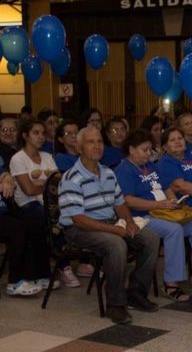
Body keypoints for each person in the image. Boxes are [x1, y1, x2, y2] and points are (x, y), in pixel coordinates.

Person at [58, 127, 160, 324]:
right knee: (116, 244)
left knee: (151, 238)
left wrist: (129, 223)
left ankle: (136, 293)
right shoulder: (72, 178)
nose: (97, 146)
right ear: (79, 148)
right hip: (79, 229)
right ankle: (115, 304)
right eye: (90, 142)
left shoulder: (108, 173)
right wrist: (115, 229)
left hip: (109, 222)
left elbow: (120, 203)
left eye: (99, 141)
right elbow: (78, 219)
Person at [115, 129, 192, 300]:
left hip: (163, 212)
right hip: (141, 217)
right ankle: (171, 284)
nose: (148, 153)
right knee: (174, 230)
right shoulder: (124, 169)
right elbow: (128, 200)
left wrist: (173, 201)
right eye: (144, 150)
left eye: (149, 149)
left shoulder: (150, 165)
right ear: (132, 150)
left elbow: (167, 187)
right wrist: (159, 204)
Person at [9, 119, 64, 288]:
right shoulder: (18, 159)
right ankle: (42, 273)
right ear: (25, 136)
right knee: (43, 219)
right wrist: (46, 184)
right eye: (35, 133)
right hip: (26, 205)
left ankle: (65, 264)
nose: (41, 137)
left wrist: (42, 185)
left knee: (66, 215)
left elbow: (59, 184)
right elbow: (29, 190)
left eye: (42, 133)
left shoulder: (47, 157)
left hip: (49, 202)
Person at [157, 127, 192, 286]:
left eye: (180, 138)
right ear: (164, 147)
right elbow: (180, 186)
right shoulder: (166, 162)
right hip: (187, 207)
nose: (177, 142)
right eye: (172, 140)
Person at [1, 156, 44, 296]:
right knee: (16, 228)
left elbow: (2, 171)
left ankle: (33, 276)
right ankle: (14, 282)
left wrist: (6, 177)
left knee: (31, 221)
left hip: (5, 210)